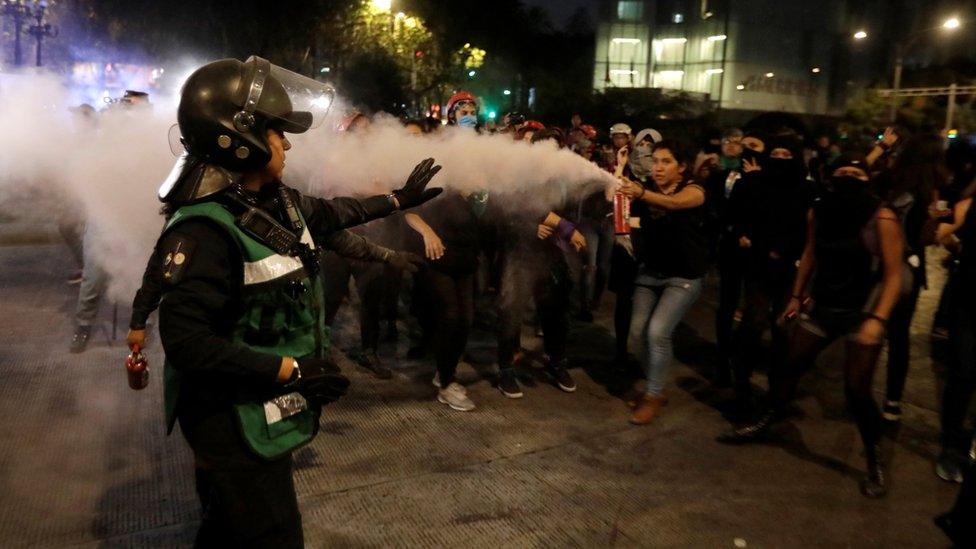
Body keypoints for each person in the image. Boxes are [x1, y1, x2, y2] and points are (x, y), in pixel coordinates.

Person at [152, 56, 442, 545]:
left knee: (227, 530)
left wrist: (397, 200)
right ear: (237, 140)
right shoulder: (205, 230)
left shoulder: (270, 201)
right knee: (271, 535)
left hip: (253, 407)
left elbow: (332, 214)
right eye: (274, 132)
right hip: (228, 419)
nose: (285, 142)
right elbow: (186, 343)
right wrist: (291, 370)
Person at [720, 156, 905, 499]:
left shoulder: (881, 216)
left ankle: (874, 458)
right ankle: (767, 419)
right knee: (789, 366)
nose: (849, 177)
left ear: (868, 178)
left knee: (857, 390)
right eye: (842, 172)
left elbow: (895, 275)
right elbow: (809, 255)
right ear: (830, 177)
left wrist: (878, 320)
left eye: (857, 173)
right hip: (823, 307)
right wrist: (796, 297)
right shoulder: (819, 211)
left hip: (862, 312)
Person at [617, 140, 708, 425]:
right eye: (655, 161)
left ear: (681, 167)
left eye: (666, 162)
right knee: (636, 335)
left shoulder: (693, 190)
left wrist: (641, 193)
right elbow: (632, 218)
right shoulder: (647, 189)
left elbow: (675, 203)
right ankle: (656, 383)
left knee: (657, 333)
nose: (658, 167)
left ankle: (653, 394)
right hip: (649, 274)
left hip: (683, 277)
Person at [495, 128, 584, 398]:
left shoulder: (562, 179)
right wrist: (529, 228)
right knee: (512, 312)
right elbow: (501, 214)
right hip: (520, 254)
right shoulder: (516, 176)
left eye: (557, 146)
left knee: (555, 313)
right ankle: (505, 369)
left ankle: (556, 362)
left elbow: (566, 213)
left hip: (552, 256)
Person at [731, 135, 813, 410]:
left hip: (790, 269)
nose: (779, 159)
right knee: (752, 324)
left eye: (786, 155)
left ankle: (778, 392)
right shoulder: (754, 184)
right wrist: (745, 235)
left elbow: (808, 229)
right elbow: (739, 213)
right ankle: (741, 387)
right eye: (774, 153)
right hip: (758, 265)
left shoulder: (805, 190)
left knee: (783, 329)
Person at [871, 132, 949, 422]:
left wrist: (879, 150)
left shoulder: (889, 181)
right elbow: (928, 240)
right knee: (899, 335)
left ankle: (859, 385)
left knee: (870, 323)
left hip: (876, 263)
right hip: (908, 269)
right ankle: (892, 400)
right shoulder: (931, 191)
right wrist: (934, 220)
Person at [934, 189, 975, 482]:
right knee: (963, 371)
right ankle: (950, 444)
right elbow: (941, 232)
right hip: (969, 300)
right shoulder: (969, 204)